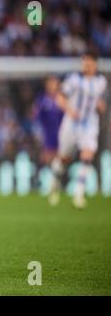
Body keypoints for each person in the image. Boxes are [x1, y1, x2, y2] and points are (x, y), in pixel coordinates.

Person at [49, 51, 107, 208]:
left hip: (89, 124)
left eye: (89, 62)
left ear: (95, 64)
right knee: (64, 158)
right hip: (71, 124)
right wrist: (69, 110)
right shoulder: (74, 80)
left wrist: (100, 105)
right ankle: (54, 183)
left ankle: (79, 193)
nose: (86, 65)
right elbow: (60, 97)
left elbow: (95, 99)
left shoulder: (101, 82)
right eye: (84, 62)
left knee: (87, 154)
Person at [33, 76, 64, 166]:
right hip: (48, 134)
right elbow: (36, 117)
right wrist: (38, 133)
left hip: (61, 132)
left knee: (61, 159)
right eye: (51, 83)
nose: (54, 86)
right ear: (47, 85)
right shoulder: (42, 100)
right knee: (48, 158)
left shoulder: (62, 99)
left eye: (55, 83)